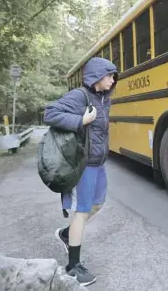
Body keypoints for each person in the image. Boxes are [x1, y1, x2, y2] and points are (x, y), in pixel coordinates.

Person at [43, 57, 118, 287]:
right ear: (97, 76)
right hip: (84, 164)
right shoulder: (79, 96)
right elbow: (50, 114)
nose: (113, 80)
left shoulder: (104, 98)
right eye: (110, 75)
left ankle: (67, 234)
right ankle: (72, 266)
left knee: (97, 204)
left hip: (99, 162)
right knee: (82, 211)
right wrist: (80, 120)